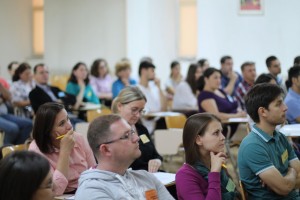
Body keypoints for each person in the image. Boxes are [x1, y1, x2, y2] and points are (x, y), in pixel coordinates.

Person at [75, 114, 174, 199]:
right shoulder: (91, 191)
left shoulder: (146, 178)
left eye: (132, 132)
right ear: (106, 149)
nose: (136, 138)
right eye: (126, 136)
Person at [238, 83, 300, 199]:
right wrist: (291, 172)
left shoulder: (280, 137)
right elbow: (284, 188)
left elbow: (288, 183)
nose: (285, 107)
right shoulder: (252, 146)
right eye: (279, 104)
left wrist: (285, 177)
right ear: (263, 112)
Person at [28, 102, 96, 195]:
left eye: (67, 119)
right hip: (62, 195)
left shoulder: (79, 138)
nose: (69, 126)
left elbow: (94, 171)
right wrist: (65, 151)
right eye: (62, 124)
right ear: (48, 132)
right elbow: (56, 190)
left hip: (86, 190)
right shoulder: (36, 151)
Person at [176, 113, 239, 200]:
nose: (223, 137)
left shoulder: (216, 162)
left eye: (221, 132)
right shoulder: (185, 175)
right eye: (216, 133)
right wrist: (214, 173)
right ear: (198, 140)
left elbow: (233, 191)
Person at [112, 86, 162, 172]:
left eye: (141, 111)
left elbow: (155, 155)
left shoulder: (141, 129)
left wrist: (157, 161)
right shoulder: (110, 132)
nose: (138, 115)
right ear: (120, 106)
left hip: (151, 176)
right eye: (134, 110)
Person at [138, 61, 167, 133]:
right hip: (147, 125)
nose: (154, 74)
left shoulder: (155, 88)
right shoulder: (137, 89)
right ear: (143, 71)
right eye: (152, 71)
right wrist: (157, 113)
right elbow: (146, 115)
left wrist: (159, 88)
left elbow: (164, 109)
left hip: (158, 122)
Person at [0, 80, 32, 145]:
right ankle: (5, 150)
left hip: (3, 114)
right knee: (13, 128)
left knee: (28, 124)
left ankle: (17, 148)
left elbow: (9, 97)